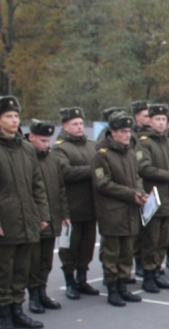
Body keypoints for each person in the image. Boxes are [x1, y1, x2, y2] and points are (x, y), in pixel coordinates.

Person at [0, 96, 49, 329]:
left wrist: (42, 214)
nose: (14, 119)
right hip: (4, 221)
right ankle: (5, 315)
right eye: (9, 116)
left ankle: (18, 310)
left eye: (16, 116)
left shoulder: (27, 148)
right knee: (4, 271)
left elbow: (37, 185)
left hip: (27, 219)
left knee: (22, 269)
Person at [93, 112, 148, 307]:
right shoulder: (102, 154)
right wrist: (130, 193)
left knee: (127, 252)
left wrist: (140, 192)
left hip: (130, 211)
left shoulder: (130, 152)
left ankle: (123, 286)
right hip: (112, 213)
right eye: (123, 131)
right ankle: (112, 288)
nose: (127, 135)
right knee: (112, 253)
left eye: (129, 131)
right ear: (113, 132)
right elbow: (102, 183)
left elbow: (137, 177)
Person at [137, 103, 169, 293]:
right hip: (154, 197)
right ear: (149, 121)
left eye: (163, 119)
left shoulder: (168, 142)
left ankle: (157, 271)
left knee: (163, 239)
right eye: (157, 119)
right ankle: (148, 274)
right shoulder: (144, 142)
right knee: (151, 239)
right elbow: (144, 168)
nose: (161, 123)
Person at [53, 106, 100, 300]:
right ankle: (70, 281)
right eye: (75, 124)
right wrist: (93, 171)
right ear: (65, 125)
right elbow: (65, 172)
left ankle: (82, 279)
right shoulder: (59, 148)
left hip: (91, 206)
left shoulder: (91, 145)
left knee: (87, 246)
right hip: (70, 208)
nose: (80, 127)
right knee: (69, 248)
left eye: (81, 123)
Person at [26, 120, 68, 313]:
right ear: (31, 137)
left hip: (53, 217)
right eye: (42, 140)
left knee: (46, 261)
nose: (46, 144)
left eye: (48, 140)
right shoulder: (26, 157)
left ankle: (42, 292)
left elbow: (60, 188)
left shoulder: (52, 158)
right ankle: (33, 296)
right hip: (35, 219)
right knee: (33, 261)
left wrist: (64, 214)